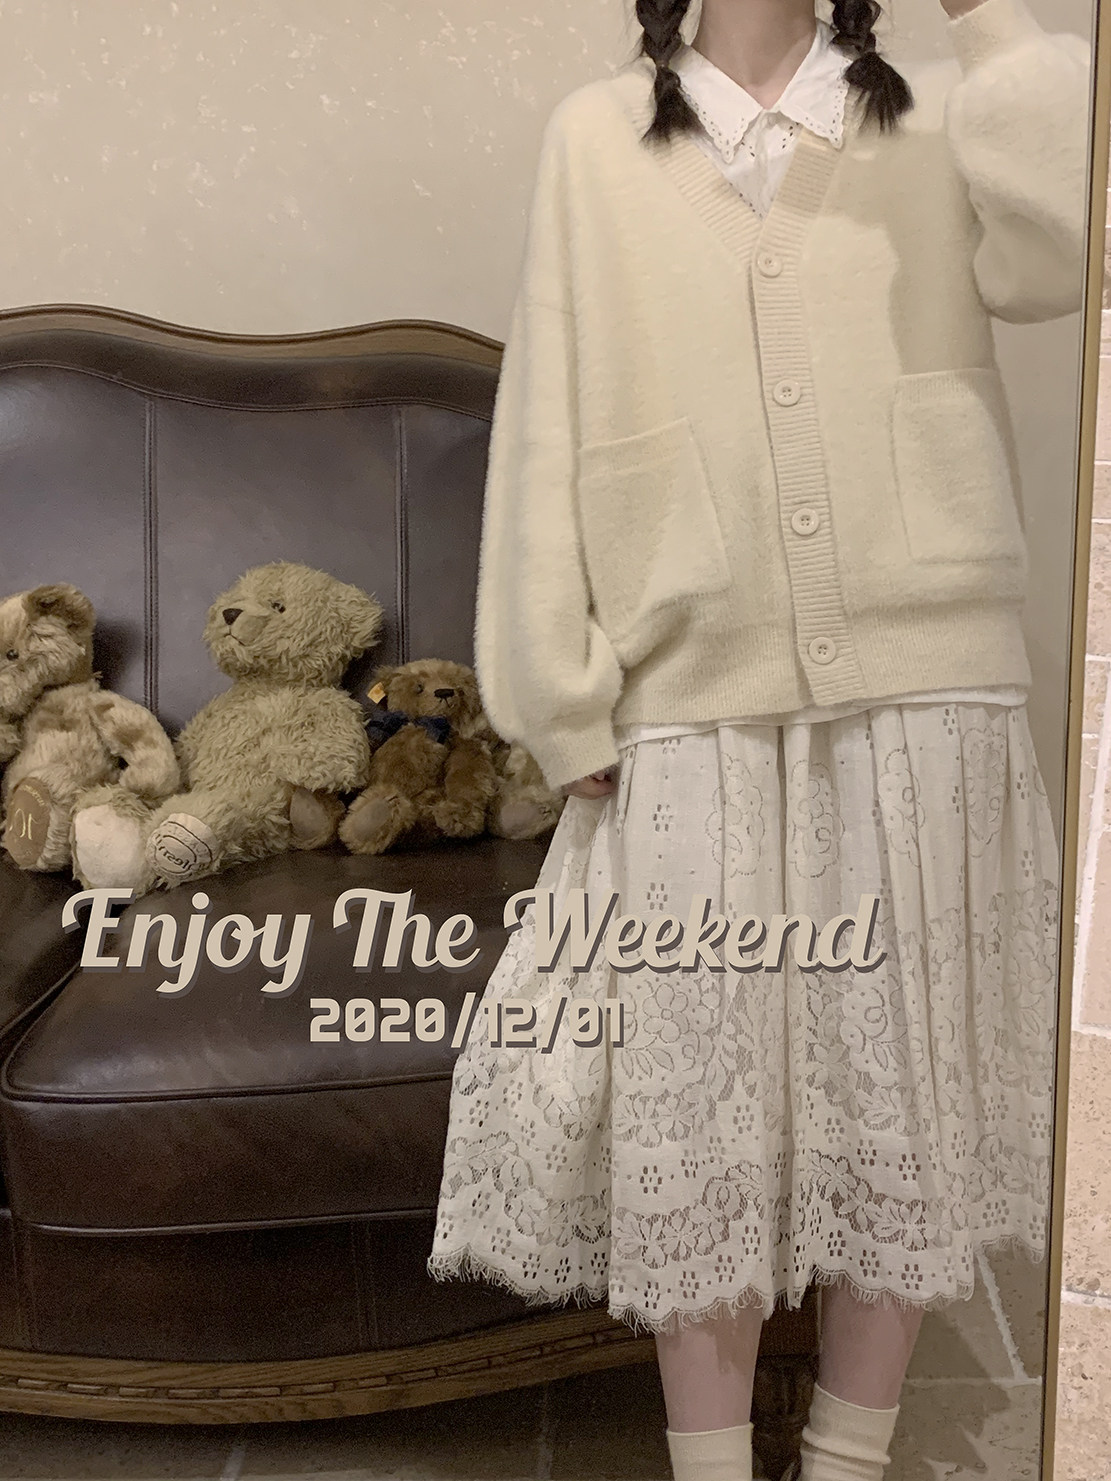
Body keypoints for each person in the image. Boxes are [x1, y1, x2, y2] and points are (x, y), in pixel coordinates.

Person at [427, 1, 1091, 1478]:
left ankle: (848, 1463)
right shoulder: (598, 137)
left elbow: (1072, 240)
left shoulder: (935, 112)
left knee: (905, 1108)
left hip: (930, 685)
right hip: (690, 685)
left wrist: (987, 18)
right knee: (702, 1120)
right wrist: (555, 692)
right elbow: (545, 416)